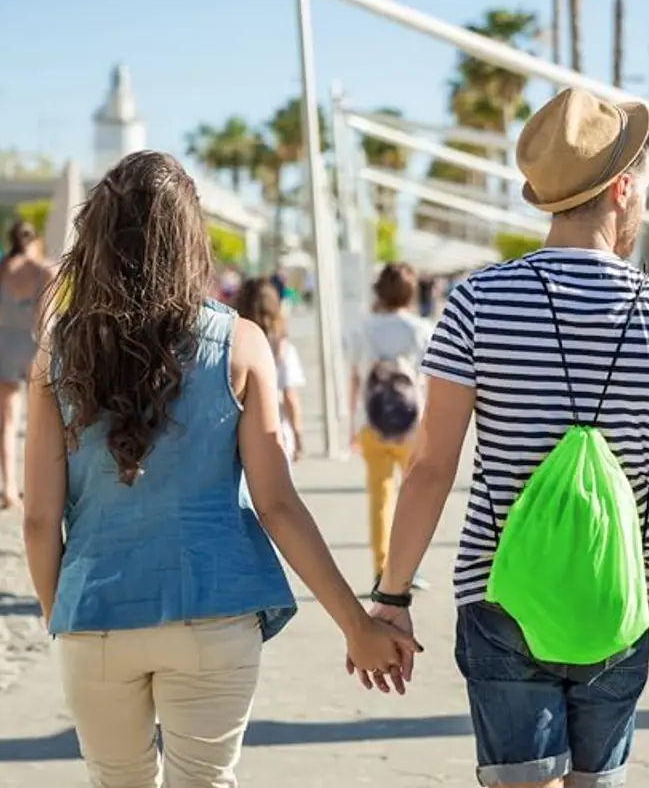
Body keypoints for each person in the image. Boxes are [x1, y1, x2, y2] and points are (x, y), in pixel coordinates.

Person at [352, 89, 649, 787]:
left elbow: (430, 467)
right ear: (621, 188)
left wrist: (392, 599)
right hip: (616, 599)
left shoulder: (477, 301)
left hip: (499, 593)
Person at [22, 151, 420, 788]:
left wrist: (61, 615)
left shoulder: (58, 352)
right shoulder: (240, 342)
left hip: (95, 611)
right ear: (189, 239)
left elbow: (39, 518)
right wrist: (355, 624)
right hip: (213, 612)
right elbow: (277, 504)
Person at [348, 263, 433, 591]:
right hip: (411, 425)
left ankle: (381, 568)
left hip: (372, 423)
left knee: (380, 498)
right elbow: (430, 381)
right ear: (411, 293)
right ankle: (409, 568)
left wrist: (352, 425)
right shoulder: (420, 329)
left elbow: (355, 379)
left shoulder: (363, 329)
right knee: (414, 497)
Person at [0, 220, 51, 509]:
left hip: (4, 344)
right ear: (34, 240)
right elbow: (46, 322)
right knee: (39, 424)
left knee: (6, 423)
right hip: (33, 347)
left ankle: (8, 487)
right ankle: (37, 488)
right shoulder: (45, 271)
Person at [235, 276, 305, 461]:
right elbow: (290, 396)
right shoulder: (283, 349)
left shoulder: (233, 346)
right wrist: (298, 434)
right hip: (275, 434)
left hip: (238, 438)